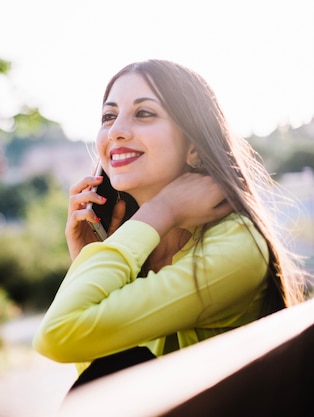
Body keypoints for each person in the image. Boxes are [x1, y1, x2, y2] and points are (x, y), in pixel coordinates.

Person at [32, 59, 310, 390]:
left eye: (144, 113)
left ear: (194, 148)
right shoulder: (138, 244)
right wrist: (89, 255)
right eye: (109, 116)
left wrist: (160, 210)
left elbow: (58, 335)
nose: (116, 131)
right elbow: (100, 376)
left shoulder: (238, 243)